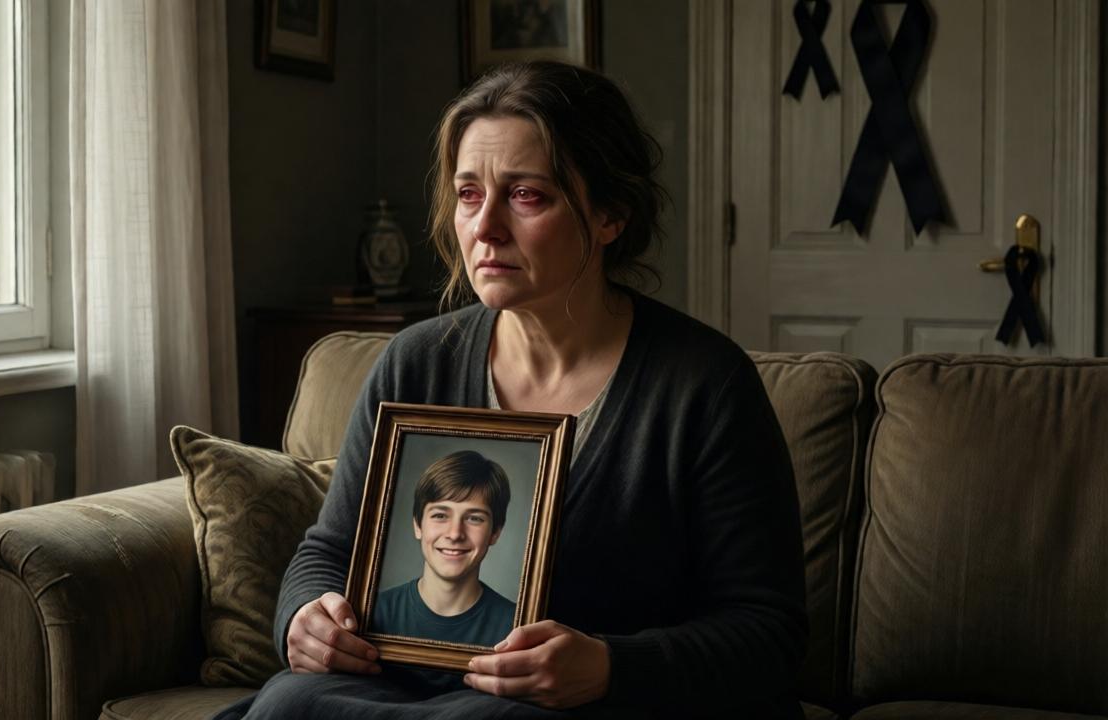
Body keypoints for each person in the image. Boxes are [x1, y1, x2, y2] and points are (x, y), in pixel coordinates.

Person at [231, 60, 807, 719]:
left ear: (610, 214)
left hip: (588, 707)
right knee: (288, 705)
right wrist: (305, 615)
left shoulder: (703, 386)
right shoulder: (415, 362)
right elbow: (331, 550)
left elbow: (770, 633)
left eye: (527, 195)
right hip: (404, 693)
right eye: (469, 194)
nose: (484, 228)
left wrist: (610, 666)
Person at [372, 450, 517, 648]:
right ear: (417, 525)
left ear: (495, 532)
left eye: (474, 518)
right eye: (440, 515)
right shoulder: (375, 612)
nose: (455, 533)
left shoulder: (516, 628)